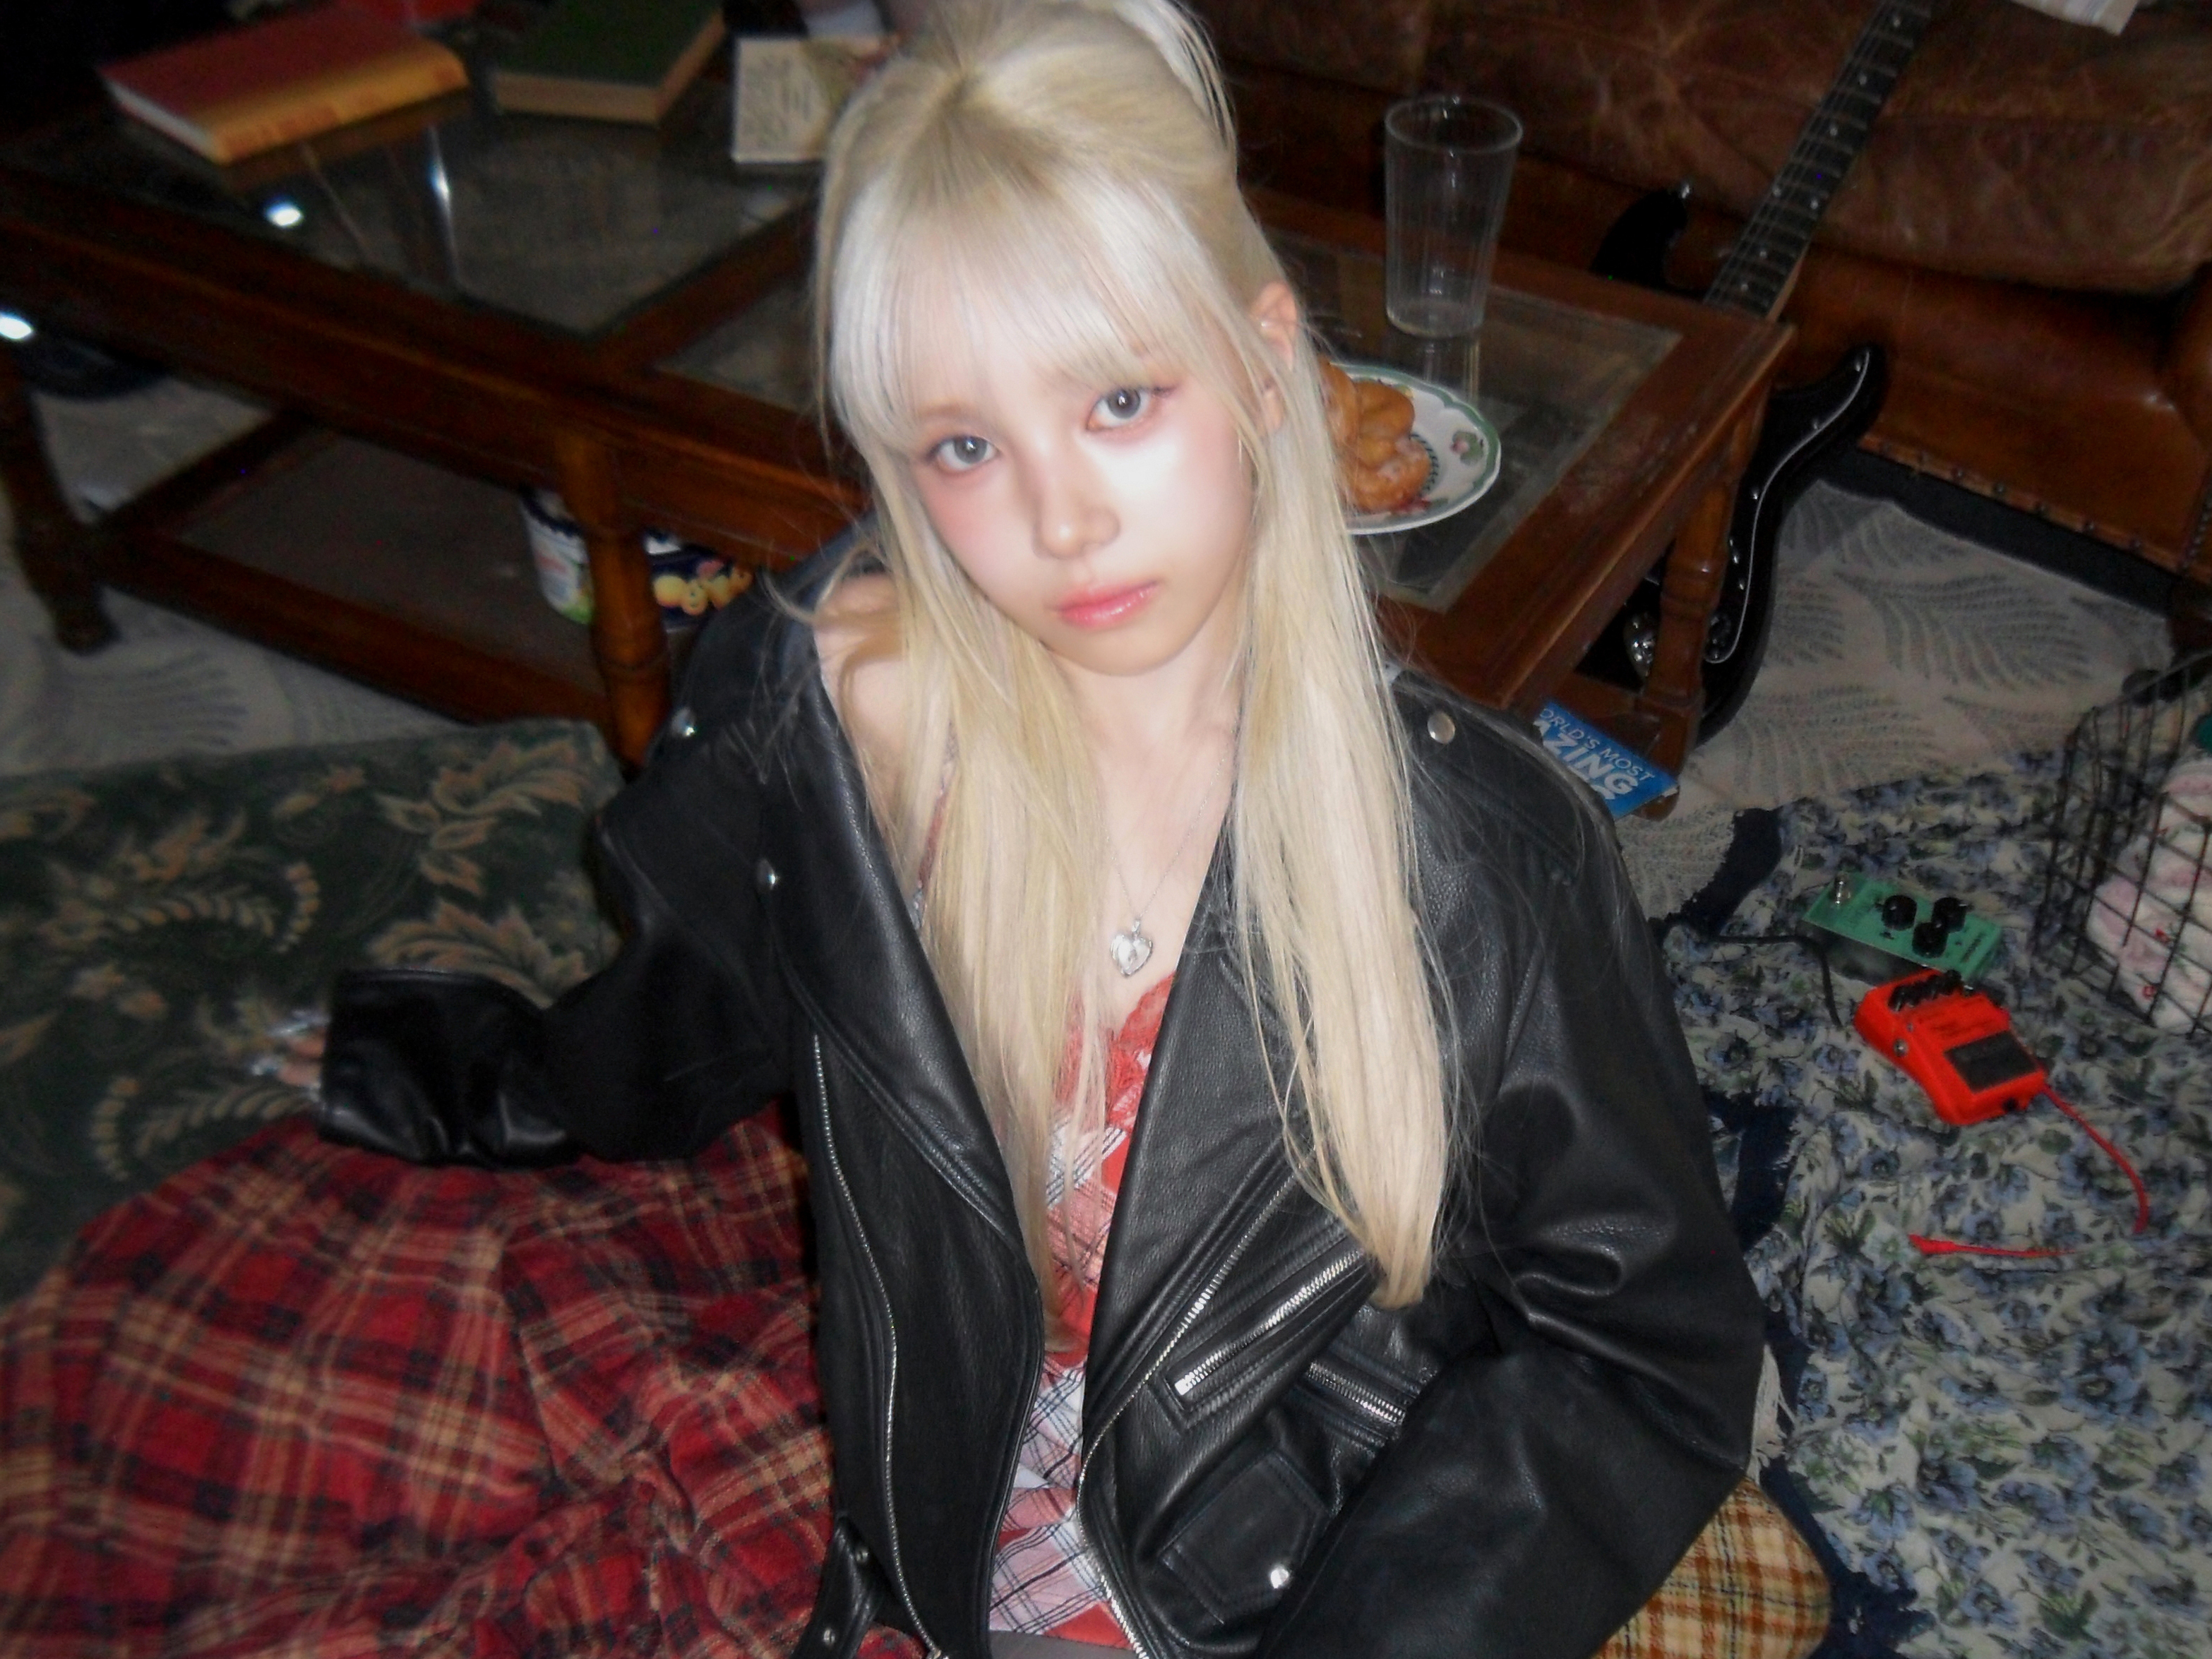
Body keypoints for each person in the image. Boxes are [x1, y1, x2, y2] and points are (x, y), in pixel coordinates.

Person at [318, 3, 1813, 1657]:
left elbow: (1641, 1348)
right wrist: (476, 1081)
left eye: (1117, 399)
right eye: (966, 444)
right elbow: (700, 1001)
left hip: (1295, 1569)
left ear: (1262, 365)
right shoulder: (852, 724)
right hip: (950, 1525)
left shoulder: (1488, 861)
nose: (1060, 516)